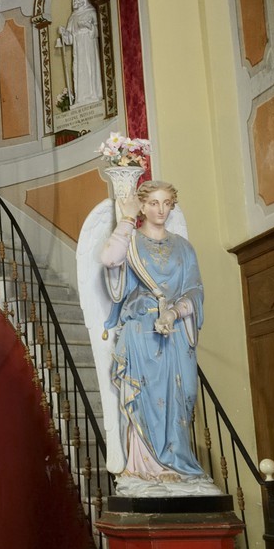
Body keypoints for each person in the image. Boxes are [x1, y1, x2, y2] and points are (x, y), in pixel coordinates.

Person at [100, 180, 206, 482]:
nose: (161, 209)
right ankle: (148, 466)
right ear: (143, 206)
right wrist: (126, 218)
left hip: (175, 333)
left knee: (184, 393)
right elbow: (109, 259)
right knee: (146, 397)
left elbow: (195, 290)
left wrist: (173, 313)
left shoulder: (183, 247)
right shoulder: (132, 241)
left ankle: (175, 461)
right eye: (154, 203)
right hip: (141, 333)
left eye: (167, 203)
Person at [58, 0, 103, 107]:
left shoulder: (91, 12)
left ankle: (93, 94)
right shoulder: (72, 17)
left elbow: (100, 31)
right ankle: (80, 98)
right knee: (79, 70)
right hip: (78, 48)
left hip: (89, 44)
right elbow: (69, 40)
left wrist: (89, 26)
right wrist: (64, 33)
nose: (76, 0)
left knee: (90, 66)